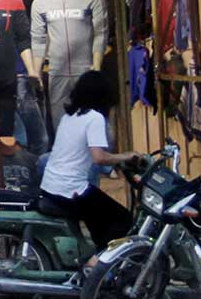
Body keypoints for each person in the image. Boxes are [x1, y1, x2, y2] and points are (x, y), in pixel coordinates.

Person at [36, 70, 130, 250]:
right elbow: (99, 157)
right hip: (71, 190)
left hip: (50, 186)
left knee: (98, 220)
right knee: (122, 218)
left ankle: (92, 254)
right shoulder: (95, 118)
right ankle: (97, 263)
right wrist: (126, 156)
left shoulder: (69, 116)